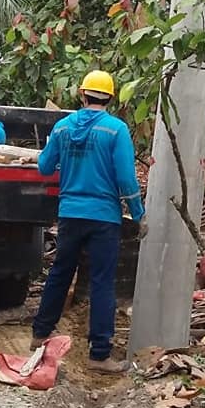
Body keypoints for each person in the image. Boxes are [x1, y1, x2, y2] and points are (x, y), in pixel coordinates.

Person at [31, 69, 147, 373]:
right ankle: (99, 355)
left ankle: (40, 333)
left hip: (70, 214)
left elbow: (44, 167)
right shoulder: (116, 130)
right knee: (102, 282)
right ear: (110, 98)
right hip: (104, 218)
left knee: (60, 273)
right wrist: (138, 214)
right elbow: (126, 178)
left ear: (82, 94)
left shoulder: (62, 127)